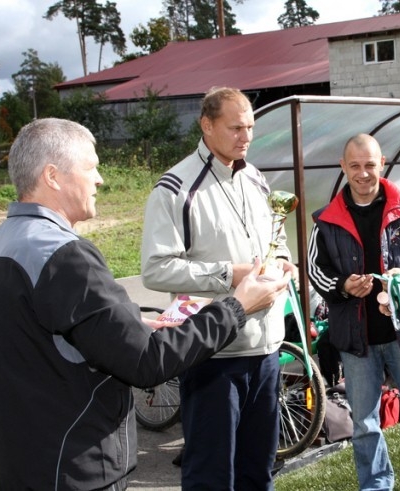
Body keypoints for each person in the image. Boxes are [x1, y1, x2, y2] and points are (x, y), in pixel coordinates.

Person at [0, 118, 290, 491]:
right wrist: (238, 306)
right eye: (91, 168)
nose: (100, 180)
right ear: (53, 176)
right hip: (76, 467)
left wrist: (131, 325)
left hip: (25, 461)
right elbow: (146, 363)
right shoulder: (65, 256)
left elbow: (46, 338)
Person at [141, 86, 297, 490]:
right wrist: (230, 274)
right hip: (213, 354)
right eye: (236, 128)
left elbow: (275, 240)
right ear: (206, 125)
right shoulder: (175, 189)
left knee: (257, 470)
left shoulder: (257, 179)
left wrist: (282, 263)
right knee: (211, 475)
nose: (246, 137)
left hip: (266, 350)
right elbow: (156, 269)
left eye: (250, 127)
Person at [307, 133, 400, 490]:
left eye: (370, 165)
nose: (363, 173)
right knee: (365, 424)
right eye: (355, 166)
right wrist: (343, 286)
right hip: (357, 341)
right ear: (343, 167)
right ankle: (376, 485)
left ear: (381, 164)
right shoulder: (326, 219)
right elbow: (314, 270)